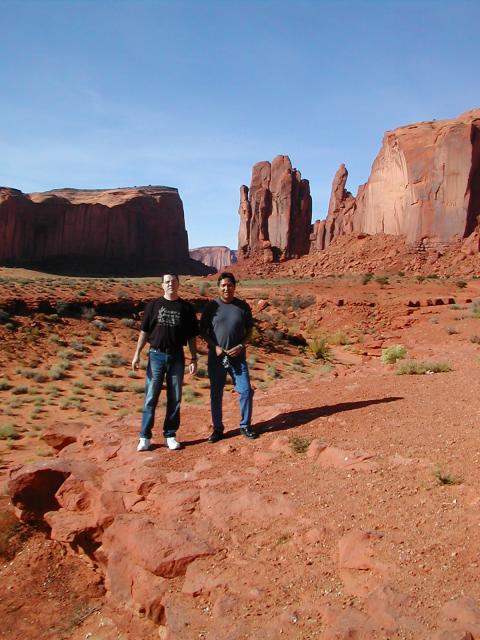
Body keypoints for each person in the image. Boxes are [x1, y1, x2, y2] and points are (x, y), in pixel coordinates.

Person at [132, 273, 198, 451]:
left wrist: (193, 356)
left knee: (175, 397)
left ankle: (170, 434)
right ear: (162, 285)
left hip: (177, 356)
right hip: (156, 355)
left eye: (174, 282)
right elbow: (144, 331)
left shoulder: (186, 308)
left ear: (179, 284)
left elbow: (192, 335)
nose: (171, 284)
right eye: (167, 282)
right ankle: (145, 437)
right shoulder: (153, 306)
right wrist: (137, 353)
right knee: (151, 396)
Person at [200, 271, 257, 442]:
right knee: (216, 394)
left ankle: (245, 425)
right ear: (218, 287)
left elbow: (250, 331)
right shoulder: (211, 307)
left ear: (234, 287)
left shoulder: (243, 306)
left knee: (246, 390)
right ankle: (218, 429)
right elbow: (203, 330)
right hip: (217, 357)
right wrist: (214, 346)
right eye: (223, 285)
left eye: (230, 285)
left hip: (237, 357)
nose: (226, 288)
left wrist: (241, 346)